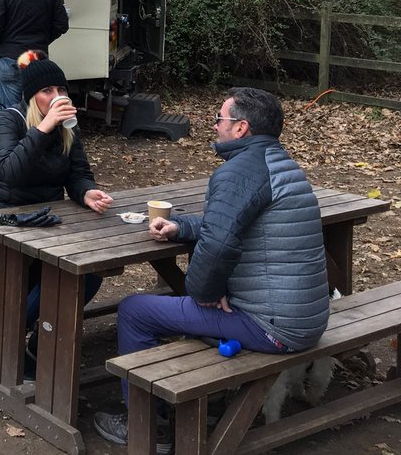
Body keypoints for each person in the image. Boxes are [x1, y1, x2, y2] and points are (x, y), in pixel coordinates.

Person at [94, 88, 329, 450]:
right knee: (194, 304)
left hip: (274, 327)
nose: (215, 126)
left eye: (220, 119)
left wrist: (204, 293)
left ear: (241, 128)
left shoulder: (239, 173)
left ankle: (149, 426)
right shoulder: (281, 165)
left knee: (134, 311)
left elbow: (219, 245)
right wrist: (182, 227)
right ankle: (210, 400)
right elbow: (233, 224)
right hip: (308, 319)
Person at [0, 51, 112, 376]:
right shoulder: (9, 120)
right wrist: (44, 127)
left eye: (61, 91)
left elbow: (78, 172)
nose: (57, 97)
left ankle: (32, 345)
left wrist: (86, 191)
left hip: (43, 223)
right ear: (32, 96)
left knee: (87, 275)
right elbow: (10, 172)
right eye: (48, 91)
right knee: (30, 263)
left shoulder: (67, 129)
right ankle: (8, 338)